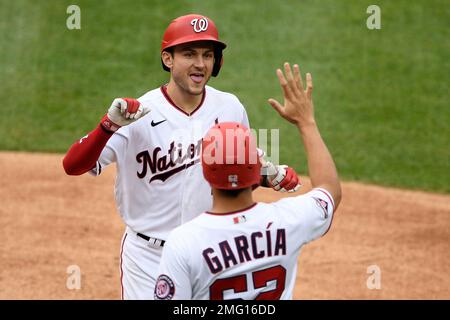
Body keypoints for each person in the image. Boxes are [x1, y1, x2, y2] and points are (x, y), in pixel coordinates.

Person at [62, 14, 300, 300]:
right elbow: (73, 165)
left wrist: (269, 176)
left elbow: (236, 175)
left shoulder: (230, 107)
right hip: (150, 258)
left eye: (207, 55)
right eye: (189, 54)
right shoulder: (138, 113)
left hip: (212, 253)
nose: (200, 64)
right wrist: (107, 126)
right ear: (168, 59)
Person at [154, 63, 342, 300]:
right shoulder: (289, 221)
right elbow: (330, 190)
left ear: (205, 173)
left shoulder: (184, 242)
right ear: (257, 171)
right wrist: (306, 123)